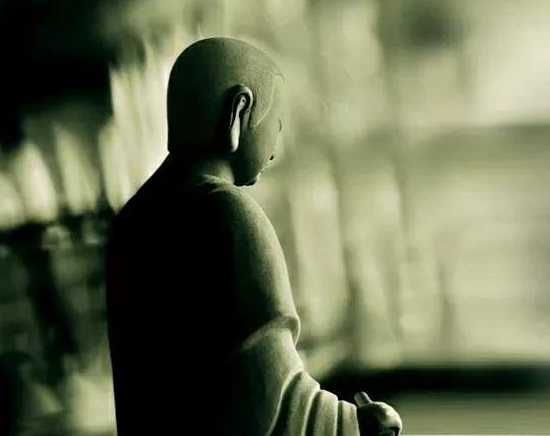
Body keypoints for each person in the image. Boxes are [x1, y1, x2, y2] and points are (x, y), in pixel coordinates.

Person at [106, 37, 402, 435]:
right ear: (239, 110)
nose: (276, 148)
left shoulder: (133, 219)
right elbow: (268, 393)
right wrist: (354, 422)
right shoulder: (227, 213)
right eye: (276, 125)